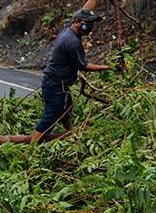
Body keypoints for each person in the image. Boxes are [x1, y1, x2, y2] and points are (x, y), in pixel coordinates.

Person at [30, 9, 112, 143]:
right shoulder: (72, 42)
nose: (90, 27)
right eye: (88, 24)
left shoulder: (69, 29)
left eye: (92, 23)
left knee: (67, 108)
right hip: (56, 84)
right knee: (51, 116)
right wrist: (108, 67)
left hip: (58, 83)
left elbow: (85, 8)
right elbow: (83, 65)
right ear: (77, 23)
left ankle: (71, 134)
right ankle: (31, 148)